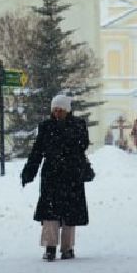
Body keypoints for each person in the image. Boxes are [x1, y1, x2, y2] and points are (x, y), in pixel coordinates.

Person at [20, 93, 93, 260]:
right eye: (55, 110)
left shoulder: (78, 125)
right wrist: (29, 171)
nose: (57, 113)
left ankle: (67, 248)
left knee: (70, 214)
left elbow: (82, 146)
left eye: (60, 110)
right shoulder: (46, 127)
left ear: (67, 110)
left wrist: (67, 138)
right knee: (50, 213)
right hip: (52, 174)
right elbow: (37, 151)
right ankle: (50, 247)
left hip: (72, 174)